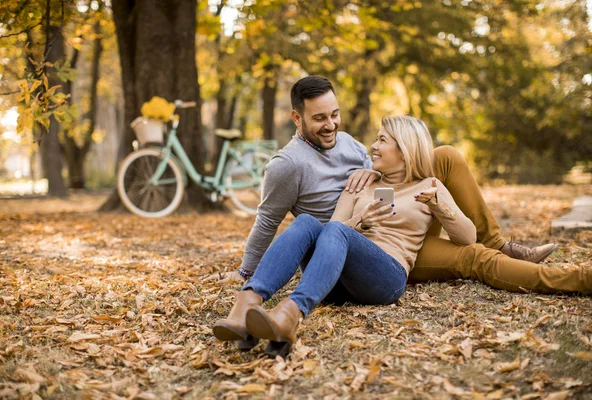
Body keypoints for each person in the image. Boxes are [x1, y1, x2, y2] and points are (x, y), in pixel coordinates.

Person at [211, 76, 589, 298]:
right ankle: (570, 278)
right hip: (368, 243)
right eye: (319, 119)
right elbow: (266, 221)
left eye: (334, 115)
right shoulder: (287, 166)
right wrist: (246, 272)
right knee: (471, 258)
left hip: (398, 209)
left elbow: (380, 163)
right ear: (297, 118)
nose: (331, 125)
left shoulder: (348, 144)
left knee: (447, 155)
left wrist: (378, 176)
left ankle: (499, 243)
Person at [213, 116, 478, 357]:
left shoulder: (430, 186)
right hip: (334, 280)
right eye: (376, 138)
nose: (373, 146)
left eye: (382, 140)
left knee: (336, 230)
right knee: (307, 222)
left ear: (406, 149)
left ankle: (291, 312)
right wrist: (362, 223)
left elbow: (468, 238)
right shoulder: (360, 184)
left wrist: (438, 207)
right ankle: (247, 302)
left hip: (386, 278)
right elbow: (334, 231)